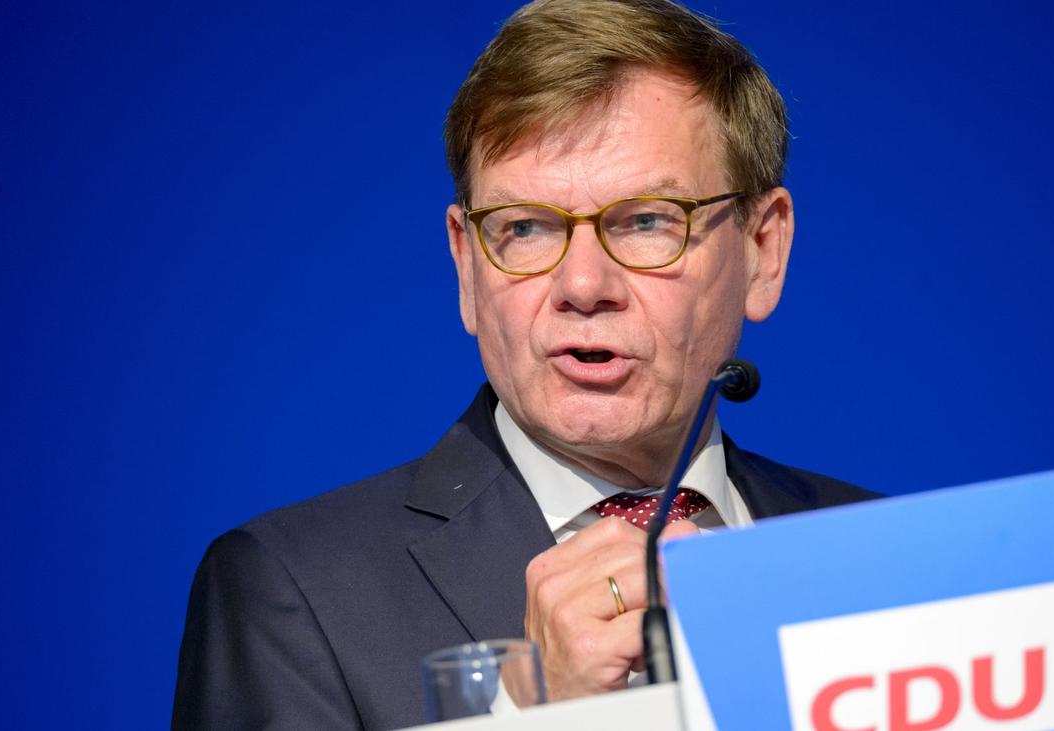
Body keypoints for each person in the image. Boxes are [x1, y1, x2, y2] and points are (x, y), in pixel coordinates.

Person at [172, 0, 877, 728]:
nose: (583, 286)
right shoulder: (294, 593)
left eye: (646, 220)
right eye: (527, 228)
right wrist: (535, 713)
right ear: (467, 266)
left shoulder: (881, 560)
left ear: (763, 250)